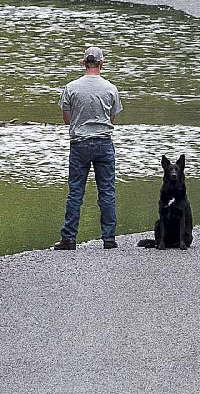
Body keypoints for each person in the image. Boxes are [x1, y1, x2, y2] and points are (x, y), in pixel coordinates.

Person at [53, 46, 123, 250]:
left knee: (75, 192)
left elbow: (67, 119)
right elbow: (112, 117)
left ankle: (69, 238)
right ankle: (109, 238)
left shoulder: (71, 87)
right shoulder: (111, 88)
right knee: (107, 192)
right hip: (104, 143)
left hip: (80, 144)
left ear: (83, 63)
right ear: (101, 64)